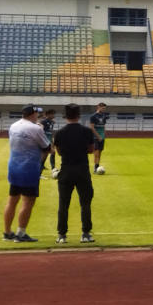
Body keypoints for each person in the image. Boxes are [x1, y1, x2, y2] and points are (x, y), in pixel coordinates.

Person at [3, 105, 49, 242]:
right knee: (28, 201)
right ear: (32, 114)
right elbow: (47, 147)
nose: (38, 116)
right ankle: (20, 234)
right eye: (37, 114)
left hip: (14, 167)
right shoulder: (36, 128)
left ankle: (7, 232)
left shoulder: (13, 126)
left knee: (12, 200)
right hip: (29, 169)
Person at [52, 103, 96, 243]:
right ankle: (86, 234)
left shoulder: (59, 133)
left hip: (66, 170)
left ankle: (62, 235)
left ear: (66, 116)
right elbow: (91, 150)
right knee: (85, 203)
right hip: (82, 170)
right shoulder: (87, 132)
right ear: (79, 115)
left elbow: (58, 152)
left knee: (63, 204)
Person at [88, 102, 109, 174]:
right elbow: (92, 127)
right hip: (95, 137)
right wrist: (98, 136)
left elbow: (103, 126)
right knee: (96, 152)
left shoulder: (104, 116)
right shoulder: (93, 116)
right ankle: (95, 168)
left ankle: (97, 166)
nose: (103, 110)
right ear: (98, 107)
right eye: (102, 108)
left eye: (104, 108)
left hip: (102, 136)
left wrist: (104, 134)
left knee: (100, 152)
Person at [40, 108, 58, 179]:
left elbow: (50, 131)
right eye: (52, 114)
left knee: (53, 153)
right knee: (44, 157)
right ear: (48, 114)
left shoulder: (51, 122)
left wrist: (52, 141)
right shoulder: (43, 121)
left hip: (50, 140)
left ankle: (53, 168)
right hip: (45, 141)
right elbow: (41, 131)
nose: (53, 115)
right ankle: (39, 173)